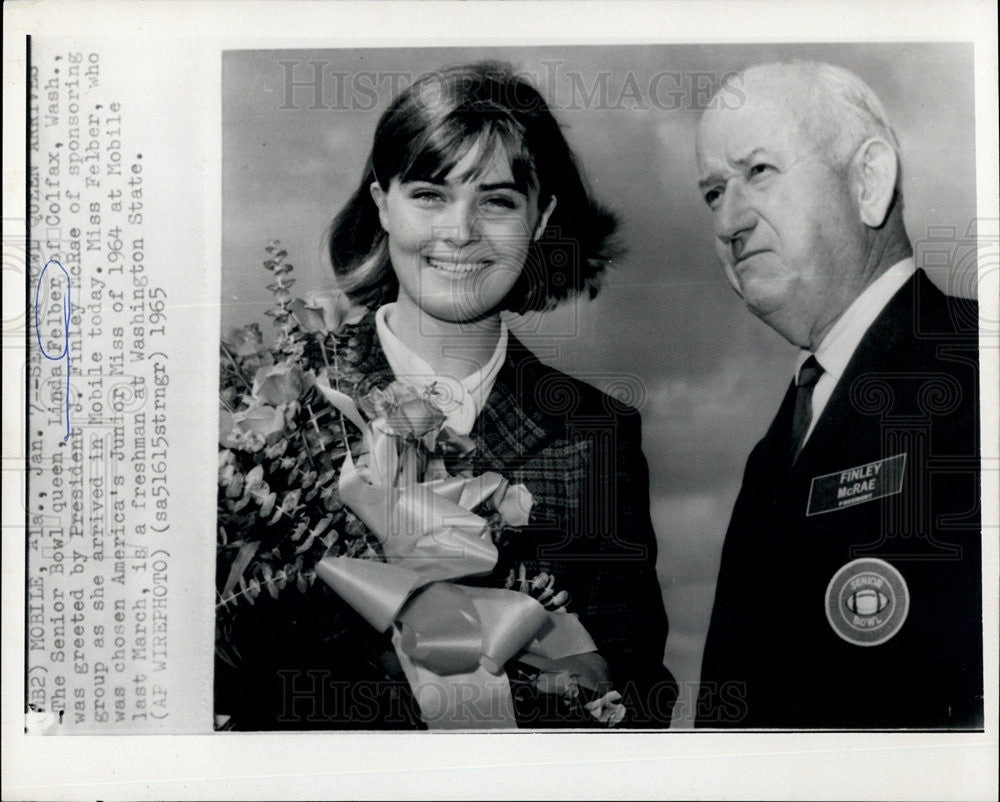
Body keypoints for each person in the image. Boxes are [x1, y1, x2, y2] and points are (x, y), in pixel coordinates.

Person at [218, 61, 676, 729]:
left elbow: (634, 696)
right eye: (430, 194)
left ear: (541, 217)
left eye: (496, 201)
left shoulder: (596, 437)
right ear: (381, 202)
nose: (461, 231)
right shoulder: (279, 405)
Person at [693, 61, 982, 729]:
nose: (730, 221)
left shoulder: (979, 367)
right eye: (713, 193)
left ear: (868, 181)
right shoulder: (774, 451)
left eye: (758, 172)